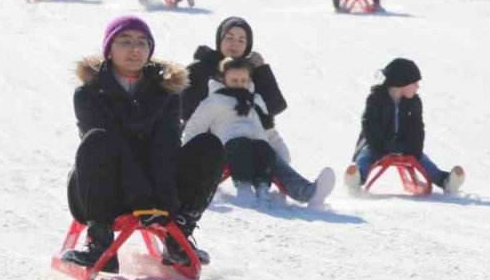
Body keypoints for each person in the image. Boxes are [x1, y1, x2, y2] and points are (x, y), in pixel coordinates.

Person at [60, 16, 225, 272]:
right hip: (104, 188)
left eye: (142, 43)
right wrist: (142, 198)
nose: (134, 49)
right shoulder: (89, 94)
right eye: (125, 42)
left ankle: (179, 236)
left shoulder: (166, 92)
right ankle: (100, 242)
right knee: (97, 141)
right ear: (109, 50)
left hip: (159, 186)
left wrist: (164, 201)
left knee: (209, 145)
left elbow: (166, 145)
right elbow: (114, 146)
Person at [181, 17, 334, 205]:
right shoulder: (201, 67)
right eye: (229, 37)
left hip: (249, 137)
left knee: (264, 150)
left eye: (241, 40)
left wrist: (261, 71)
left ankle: (307, 192)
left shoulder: (250, 72)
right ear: (219, 39)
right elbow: (185, 113)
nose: (234, 44)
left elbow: (274, 108)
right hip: (208, 142)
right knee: (244, 146)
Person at [344, 58, 466, 194]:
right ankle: (356, 178)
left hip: (402, 144)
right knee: (366, 155)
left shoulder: (414, 102)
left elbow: (417, 127)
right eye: (415, 83)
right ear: (401, 82)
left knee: (422, 160)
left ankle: (444, 180)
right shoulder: (376, 99)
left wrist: (414, 148)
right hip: (377, 143)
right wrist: (380, 147)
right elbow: (369, 124)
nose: (417, 87)